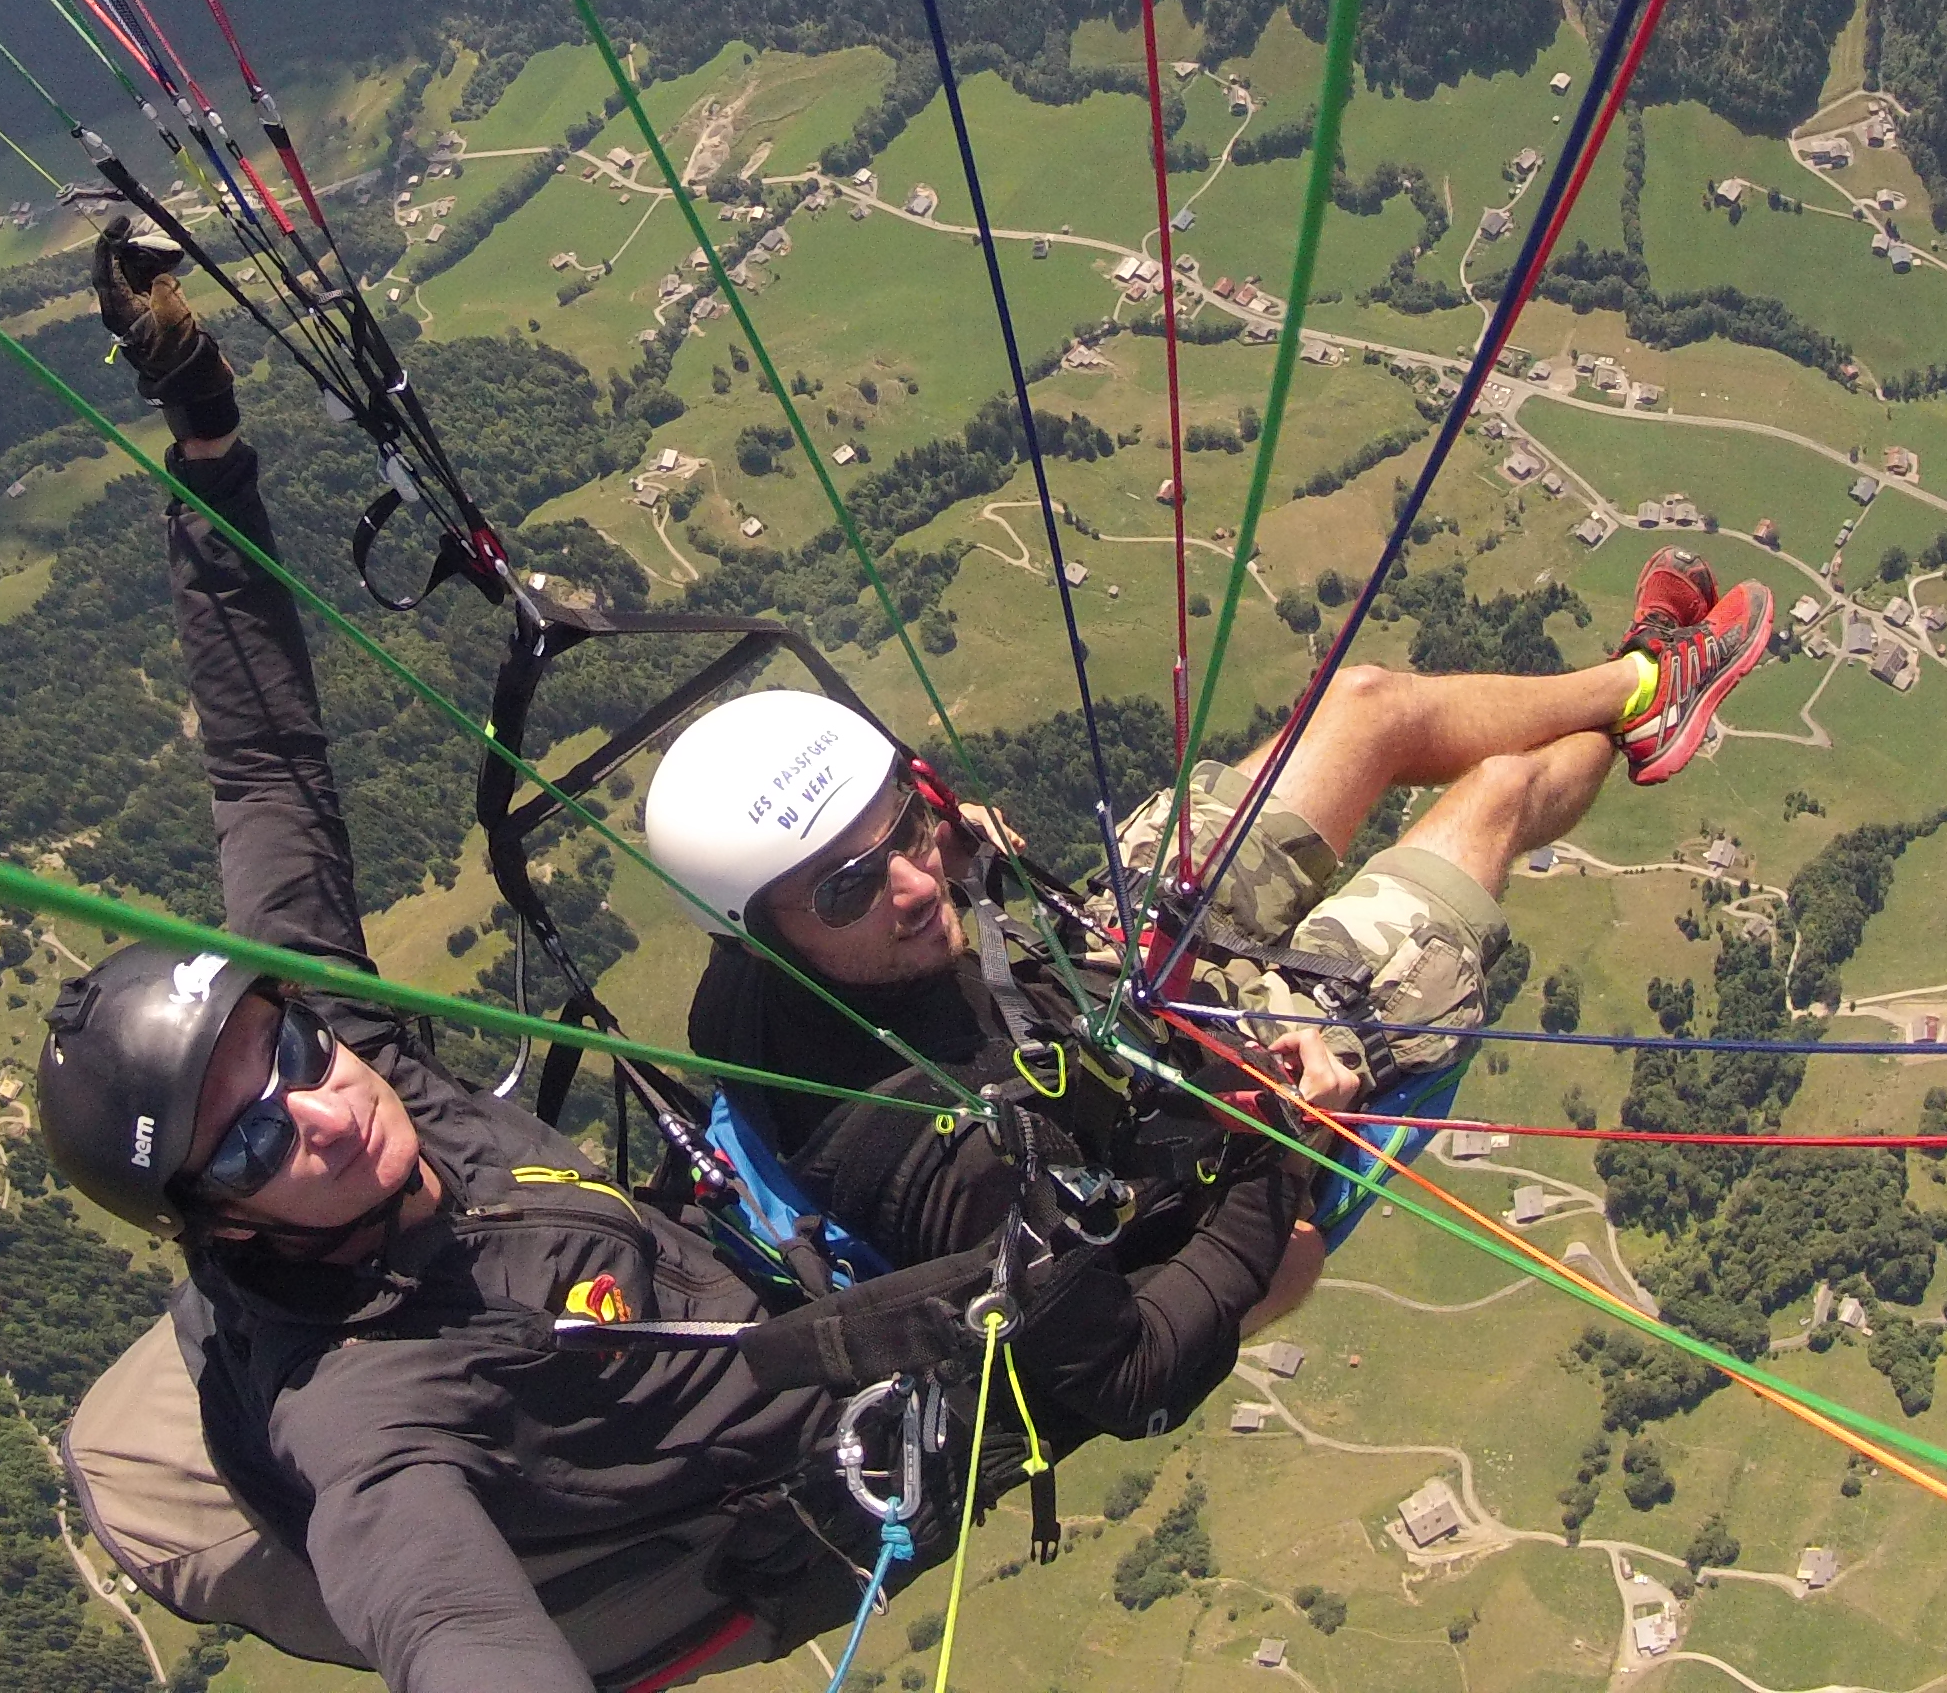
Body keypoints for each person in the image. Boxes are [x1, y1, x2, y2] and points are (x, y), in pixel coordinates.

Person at [38, 227, 894, 1693]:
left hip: (688, 1273)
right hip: (727, 1483)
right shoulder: (368, 1419)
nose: (318, 1101)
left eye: (292, 1053)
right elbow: (441, 1618)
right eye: (249, 1138)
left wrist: (208, 438)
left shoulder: (343, 1052)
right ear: (216, 1227)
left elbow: (263, 775)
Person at [637, 553, 1775, 1435]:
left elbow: (897, 880)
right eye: (848, 888)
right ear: (763, 939)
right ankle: (1647, 714)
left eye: (905, 826)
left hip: (1091, 972)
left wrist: (955, 850)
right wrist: (1270, 1135)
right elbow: (1127, 1374)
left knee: (1368, 703)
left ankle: (1647, 680)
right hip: (1224, 1109)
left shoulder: (789, 950)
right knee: (1496, 796)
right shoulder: (939, 1171)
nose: (911, 883)